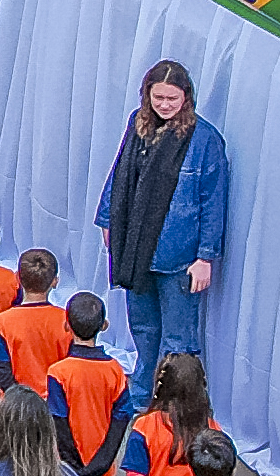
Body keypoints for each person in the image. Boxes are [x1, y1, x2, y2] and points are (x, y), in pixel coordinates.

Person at [92, 60, 226, 384]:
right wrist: (108, 220)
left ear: (186, 98)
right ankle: (142, 397)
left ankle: (172, 405)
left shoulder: (205, 139)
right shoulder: (138, 124)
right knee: (143, 329)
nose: (164, 106)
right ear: (147, 96)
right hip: (136, 250)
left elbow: (213, 201)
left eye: (172, 99)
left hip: (178, 256)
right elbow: (120, 172)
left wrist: (205, 257)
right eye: (158, 99)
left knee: (178, 340)